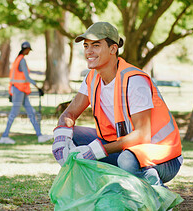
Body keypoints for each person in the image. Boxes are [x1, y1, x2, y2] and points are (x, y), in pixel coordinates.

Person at [52, 22, 183, 187]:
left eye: (96, 45)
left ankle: (156, 193)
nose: (88, 51)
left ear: (113, 49)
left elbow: (142, 135)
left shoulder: (134, 80)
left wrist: (96, 151)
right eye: (86, 46)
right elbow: (69, 114)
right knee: (74, 135)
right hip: (127, 148)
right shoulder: (92, 78)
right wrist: (60, 138)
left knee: (126, 160)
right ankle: (109, 188)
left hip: (163, 156)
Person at [0, 41, 52, 144]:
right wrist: (38, 87)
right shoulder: (21, 60)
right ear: (26, 49)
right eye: (28, 50)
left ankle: (40, 135)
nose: (29, 52)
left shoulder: (17, 59)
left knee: (31, 112)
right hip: (19, 90)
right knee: (14, 113)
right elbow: (27, 78)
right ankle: (4, 136)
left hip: (19, 90)